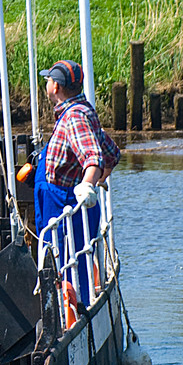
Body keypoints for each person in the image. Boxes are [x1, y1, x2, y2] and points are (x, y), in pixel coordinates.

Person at [33, 60, 120, 306]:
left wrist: (88, 184)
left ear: (56, 87)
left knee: (65, 261)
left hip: (64, 204)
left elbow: (93, 158)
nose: (46, 84)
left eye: (48, 80)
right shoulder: (82, 110)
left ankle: (69, 313)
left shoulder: (74, 118)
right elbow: (111, 153)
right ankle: (70, 305)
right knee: (68, 259)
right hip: (58, 199)